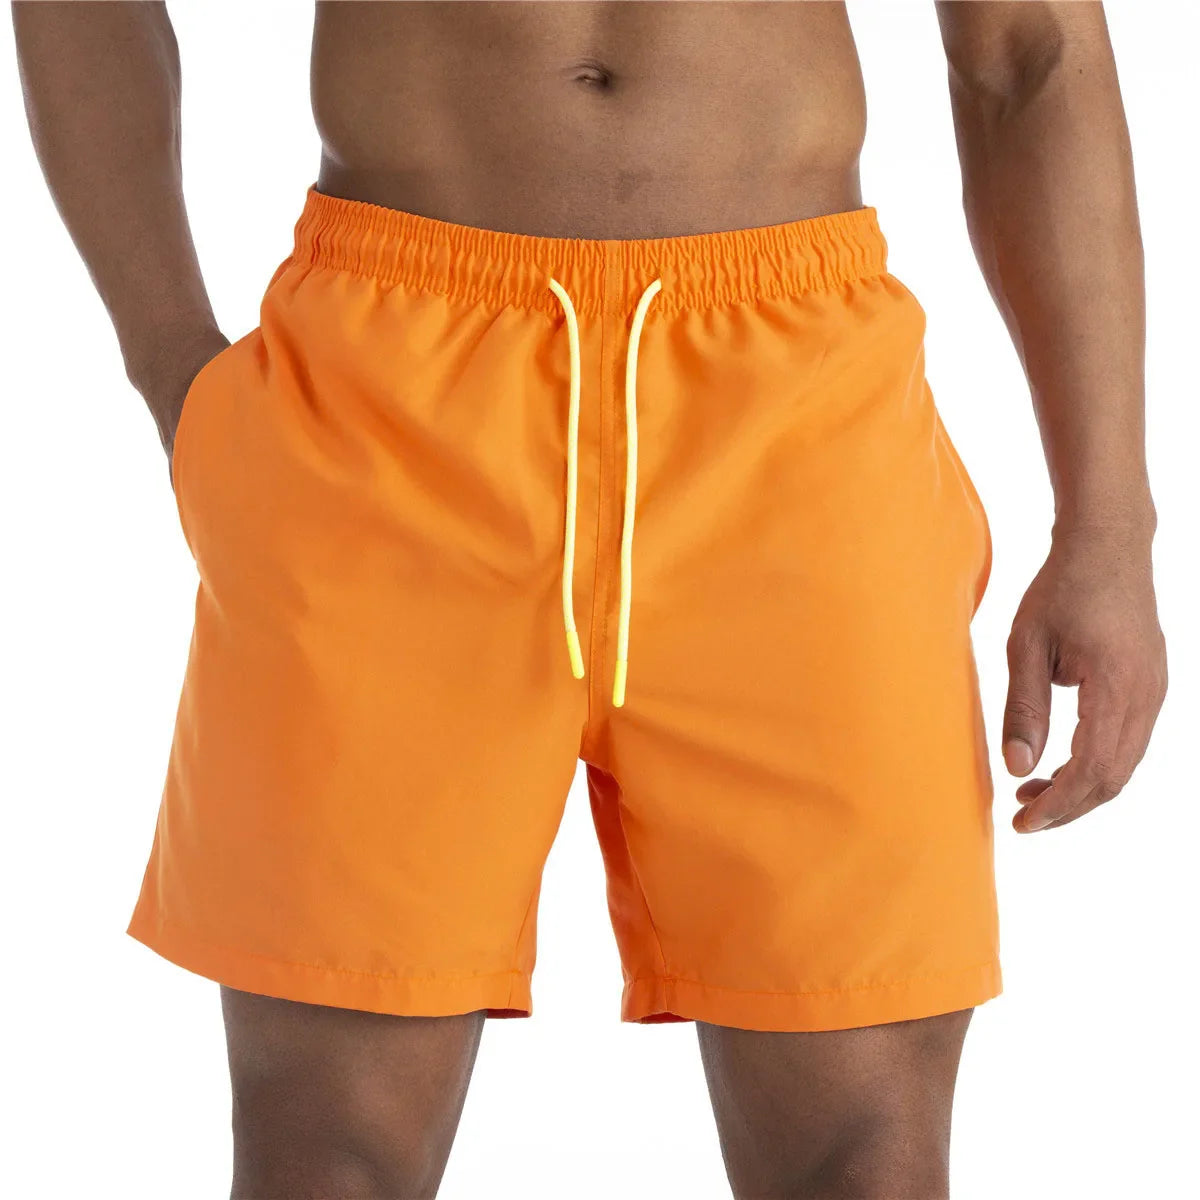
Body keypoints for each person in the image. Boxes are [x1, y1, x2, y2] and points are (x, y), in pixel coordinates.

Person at [14, 2, 1167, 1197]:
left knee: (866, 1162)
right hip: (385, 409)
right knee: (327, 1157)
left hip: (799, 418)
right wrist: (169, 361)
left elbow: (1027, 48)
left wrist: (1107, 527)